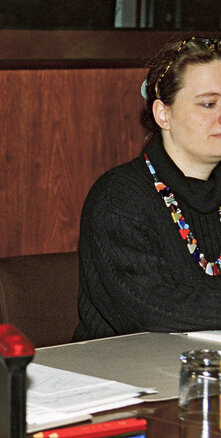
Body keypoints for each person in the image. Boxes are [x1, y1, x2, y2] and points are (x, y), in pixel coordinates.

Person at [75, 37, 221, 341]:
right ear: (163, 114)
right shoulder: (118, 198)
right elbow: (152, 310)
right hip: (122, 374)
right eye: (208, 104)